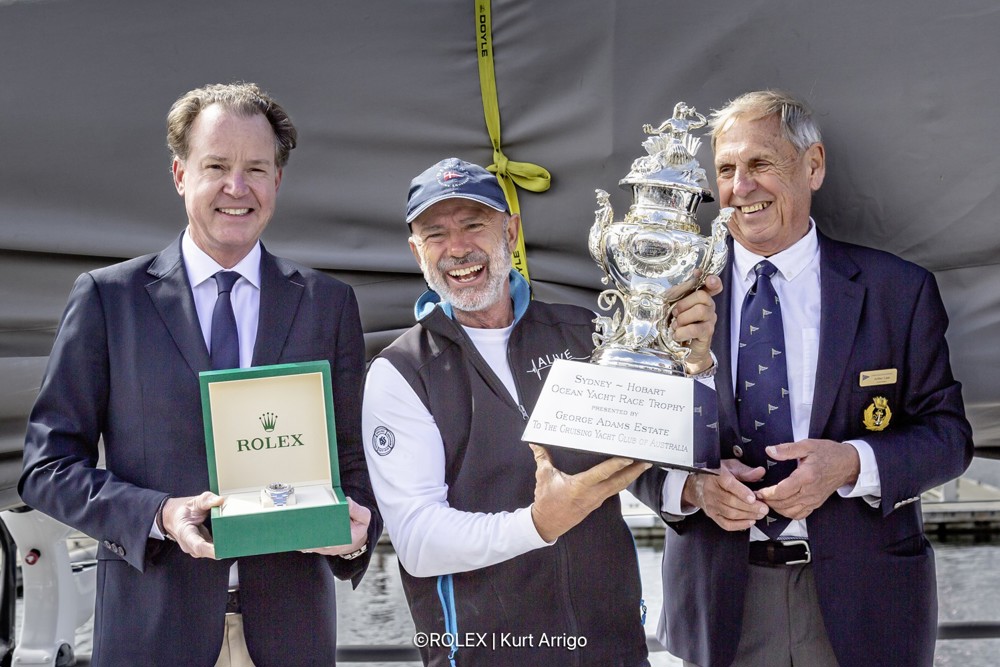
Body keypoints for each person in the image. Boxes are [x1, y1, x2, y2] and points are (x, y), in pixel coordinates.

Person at [19, 82, 382, 666]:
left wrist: (357, 530)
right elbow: (47, 468)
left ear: (278, 183)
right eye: (216, 165)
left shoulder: (327, 303)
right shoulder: (109, 300)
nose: (237, 188)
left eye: (256, 169)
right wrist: (158, 515)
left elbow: (354, 462)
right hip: (152, 628)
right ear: (180, 174)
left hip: (290, 635)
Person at [656, 90, 974, 667]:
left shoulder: (896, 291)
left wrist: (851, 463)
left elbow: (949, 440)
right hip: (720, 606)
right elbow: (627, 440)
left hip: (867, 610)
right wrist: (693, 487)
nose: (740, 188)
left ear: (814, 165)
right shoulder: (668, 294)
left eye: (760, 164)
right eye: (726, 169)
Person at [361, 157, 719, 666]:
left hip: (612, 649)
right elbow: (419, 540)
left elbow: (642, 453)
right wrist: (539, 523)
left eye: (473, 224)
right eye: (435, 233)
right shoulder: (400, 371)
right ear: (416, 252)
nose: (457, 248)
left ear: (510, 231)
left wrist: (694, 369)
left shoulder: (586, 333)